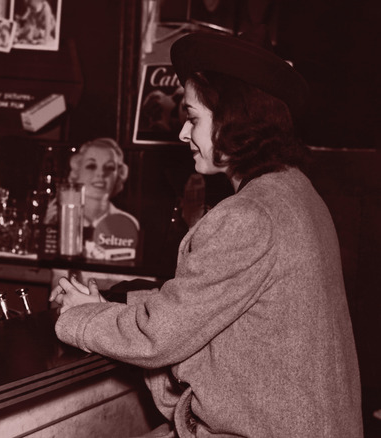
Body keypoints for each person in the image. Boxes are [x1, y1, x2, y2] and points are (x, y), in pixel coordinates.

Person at [49, 32, 362, 437]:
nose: (183, 133)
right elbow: (207, 308)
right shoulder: (296, 192)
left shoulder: (248, 215)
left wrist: (80, 317)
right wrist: (106, 308)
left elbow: (159, 337)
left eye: (193, 118)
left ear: (233, 120)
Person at [45, 138, 139, 259]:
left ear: (119, 175)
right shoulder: (61, 219)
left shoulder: (127, 223)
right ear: (76, 173)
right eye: (91, 166)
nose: (101, 174)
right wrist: (46, 231)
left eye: (110, 167)